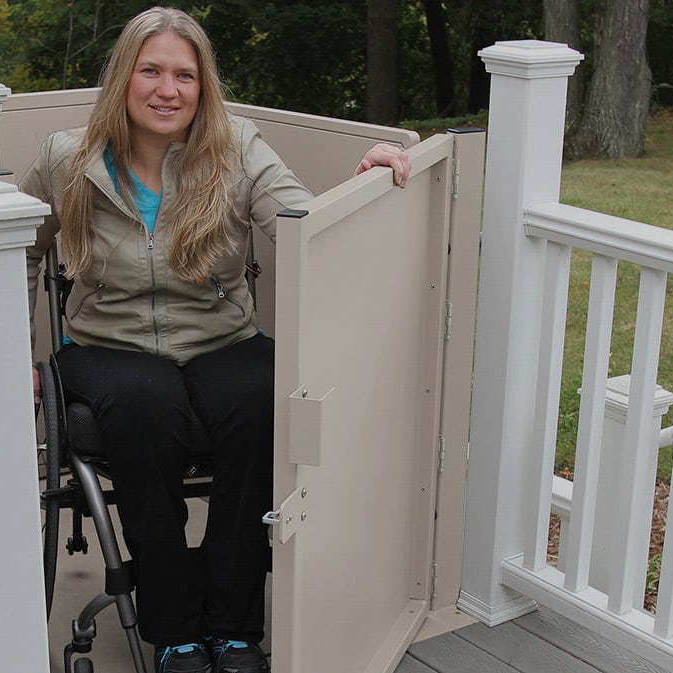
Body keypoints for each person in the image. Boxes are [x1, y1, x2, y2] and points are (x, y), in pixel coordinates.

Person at [20, 7, 410, 673]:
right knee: (147, 405)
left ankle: (232, 627)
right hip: (107, 347)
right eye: (151, 71)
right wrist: (12, 358)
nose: (167, 89)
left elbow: (303, 220)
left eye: (184, 75)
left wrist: (362, 178)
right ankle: (172, 629)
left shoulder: (237, 150)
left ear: (203, 87)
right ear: (123, 77)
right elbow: (13, 249)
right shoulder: (68, 158)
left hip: (218, 337)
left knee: (265, 395)